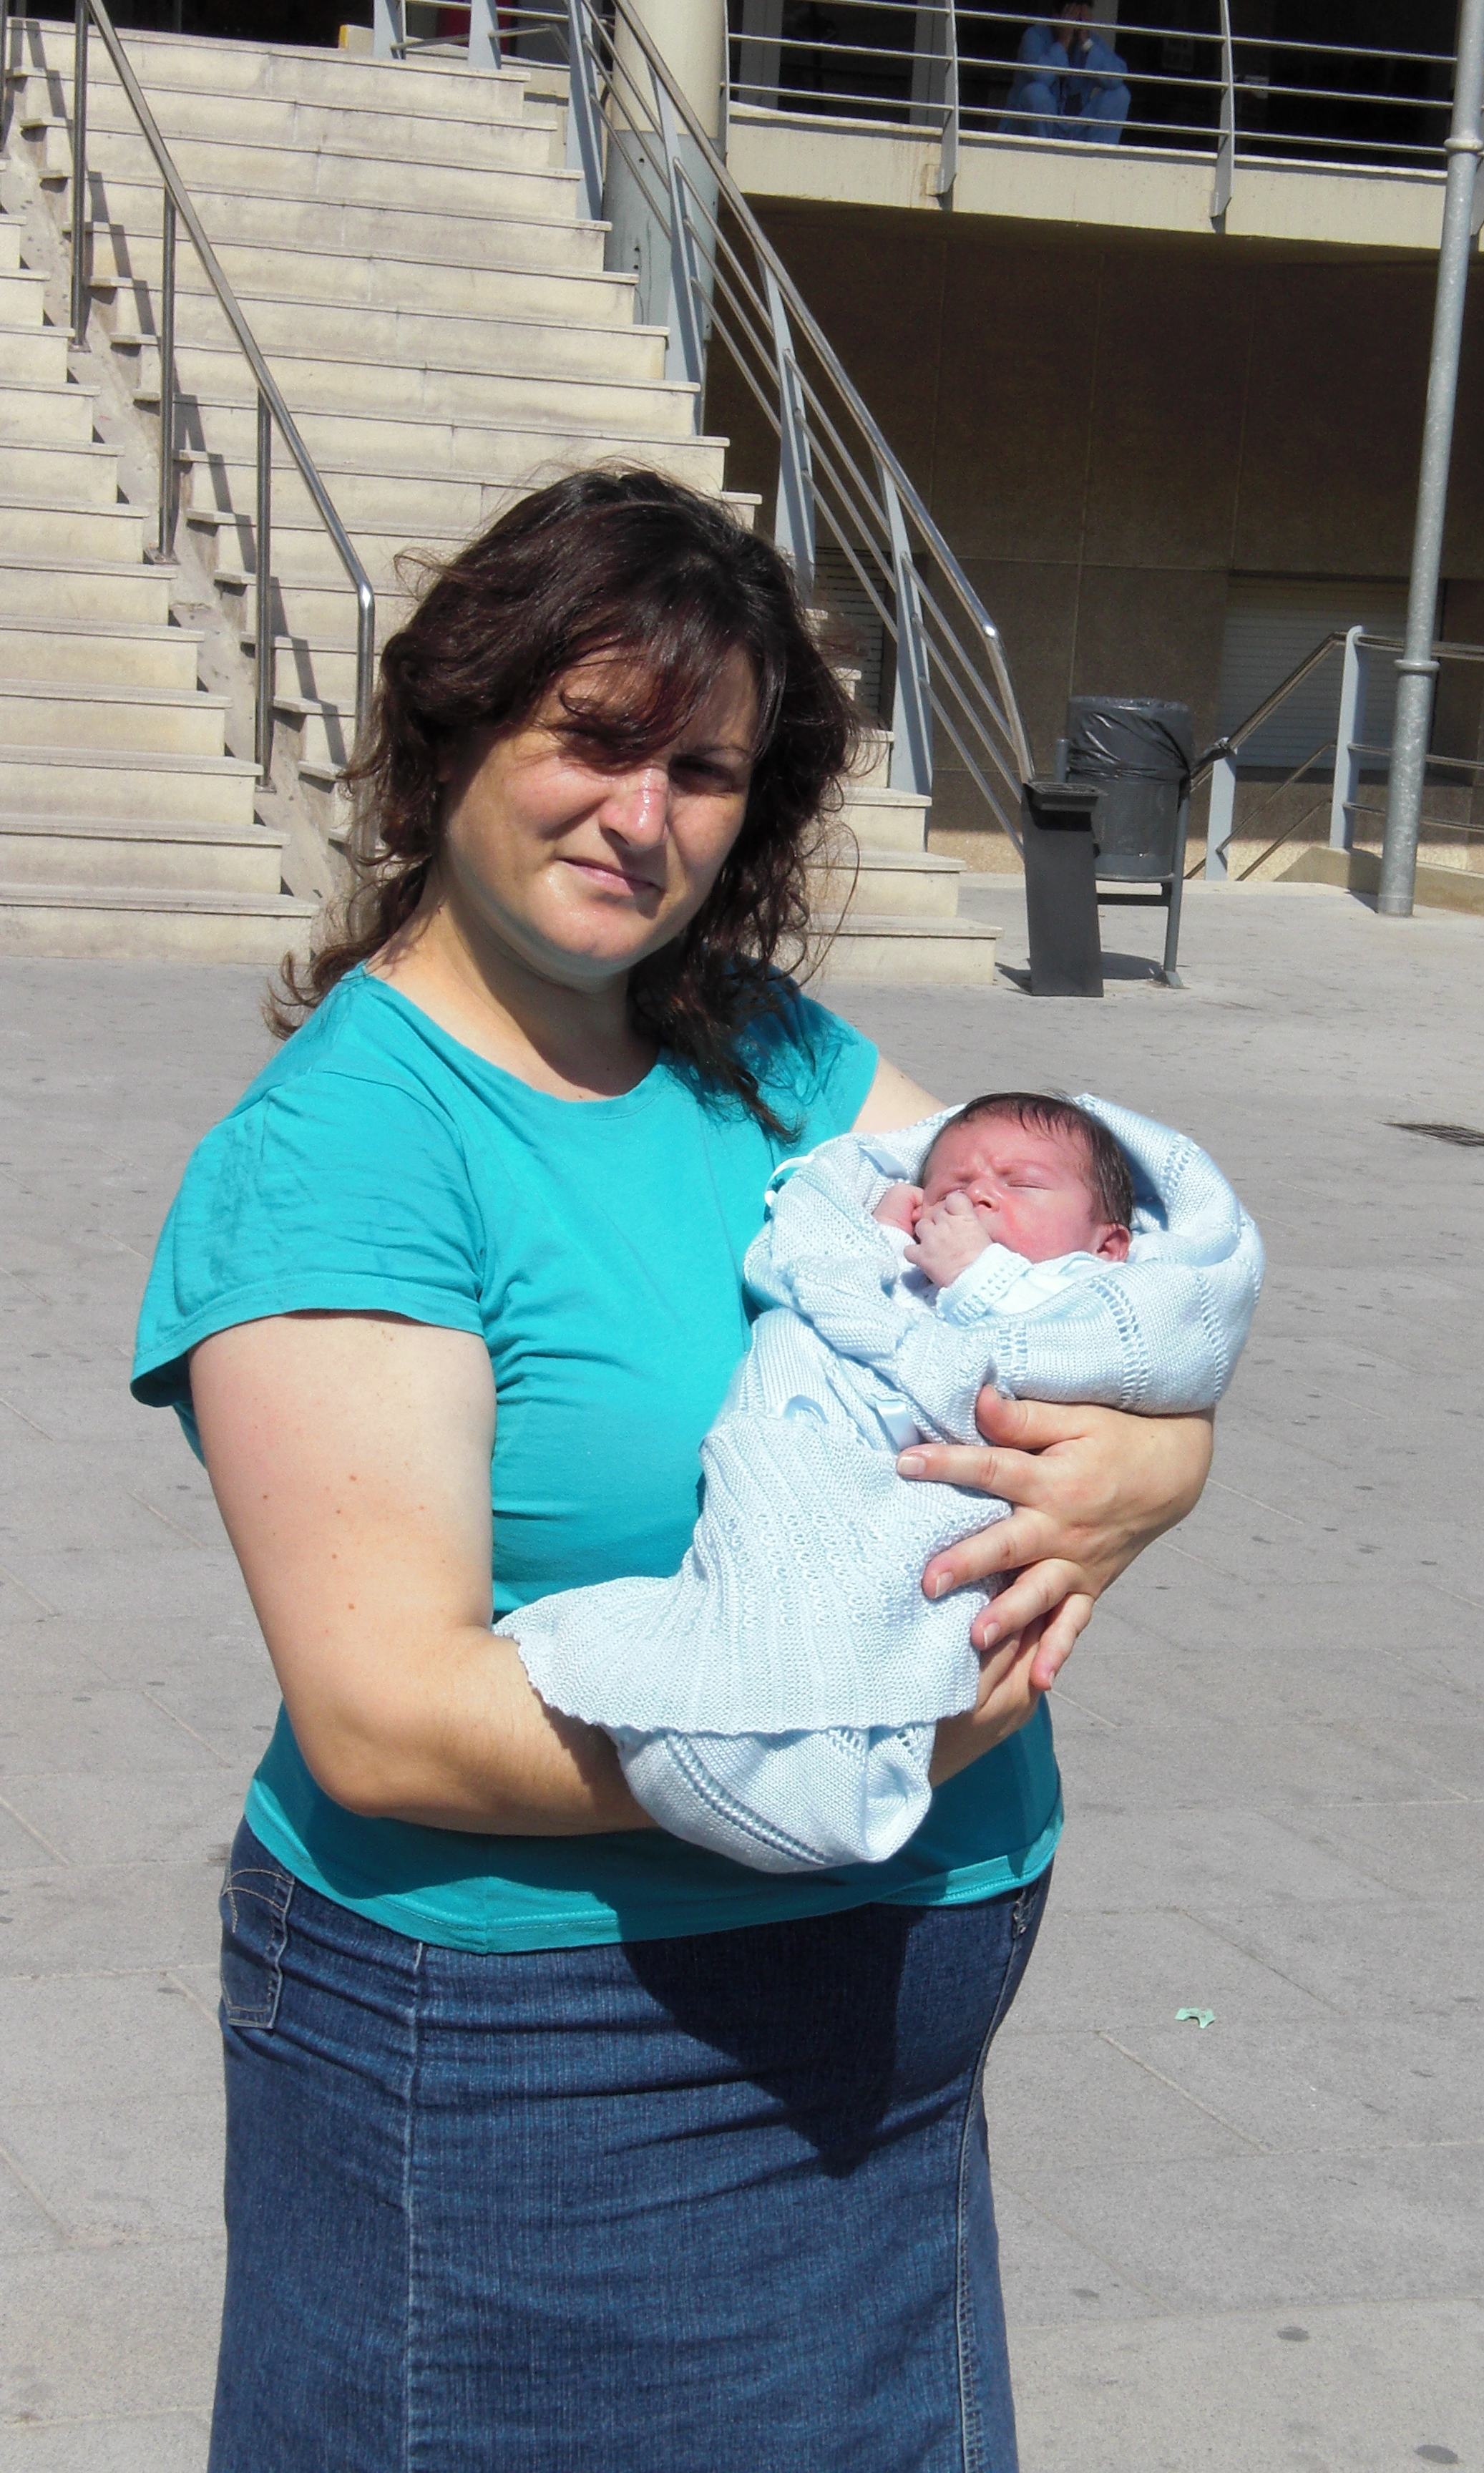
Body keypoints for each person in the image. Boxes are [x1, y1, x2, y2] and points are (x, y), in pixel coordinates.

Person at [131, 466, 1217, 2470]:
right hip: (559, 2077)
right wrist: (866, 1731)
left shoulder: (761, 1053)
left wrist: (1158, 1464)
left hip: (883, 2060)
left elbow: (1093, 1280)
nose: (642, 815)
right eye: (595, 738)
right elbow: (387, 1715)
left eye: (703, 770)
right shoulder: (349, 1150)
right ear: (456, 732)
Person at [508, 1091, 1261, 1875]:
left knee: (867, 1616)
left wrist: (980, 1278)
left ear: (1109, 1243)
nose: (977, 1194)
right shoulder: (912, 1263)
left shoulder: (1089, 1287)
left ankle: (798, 1740)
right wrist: (872, 1234)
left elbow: (1113, 1355)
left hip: (931, 1506)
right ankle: (748, 1689)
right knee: (770, 1593)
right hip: (815, 1462)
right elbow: (829, 1291)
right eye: (952, 1183)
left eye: (1021, 1183)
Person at [1006, 1, 1131, 143]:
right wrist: (1064, 41)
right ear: (1056, 17)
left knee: (1119, 94)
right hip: (1033, 128)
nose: (1077, 27)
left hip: (1072, 128)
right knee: (1036, 92)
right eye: (1073, 19)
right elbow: (1042, 77)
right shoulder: (1034, 36)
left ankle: (1097, 153)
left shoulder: (1089, 39)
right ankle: (1043, 151)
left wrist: (1087, 44)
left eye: (1082, 20)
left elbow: (1116, 78)